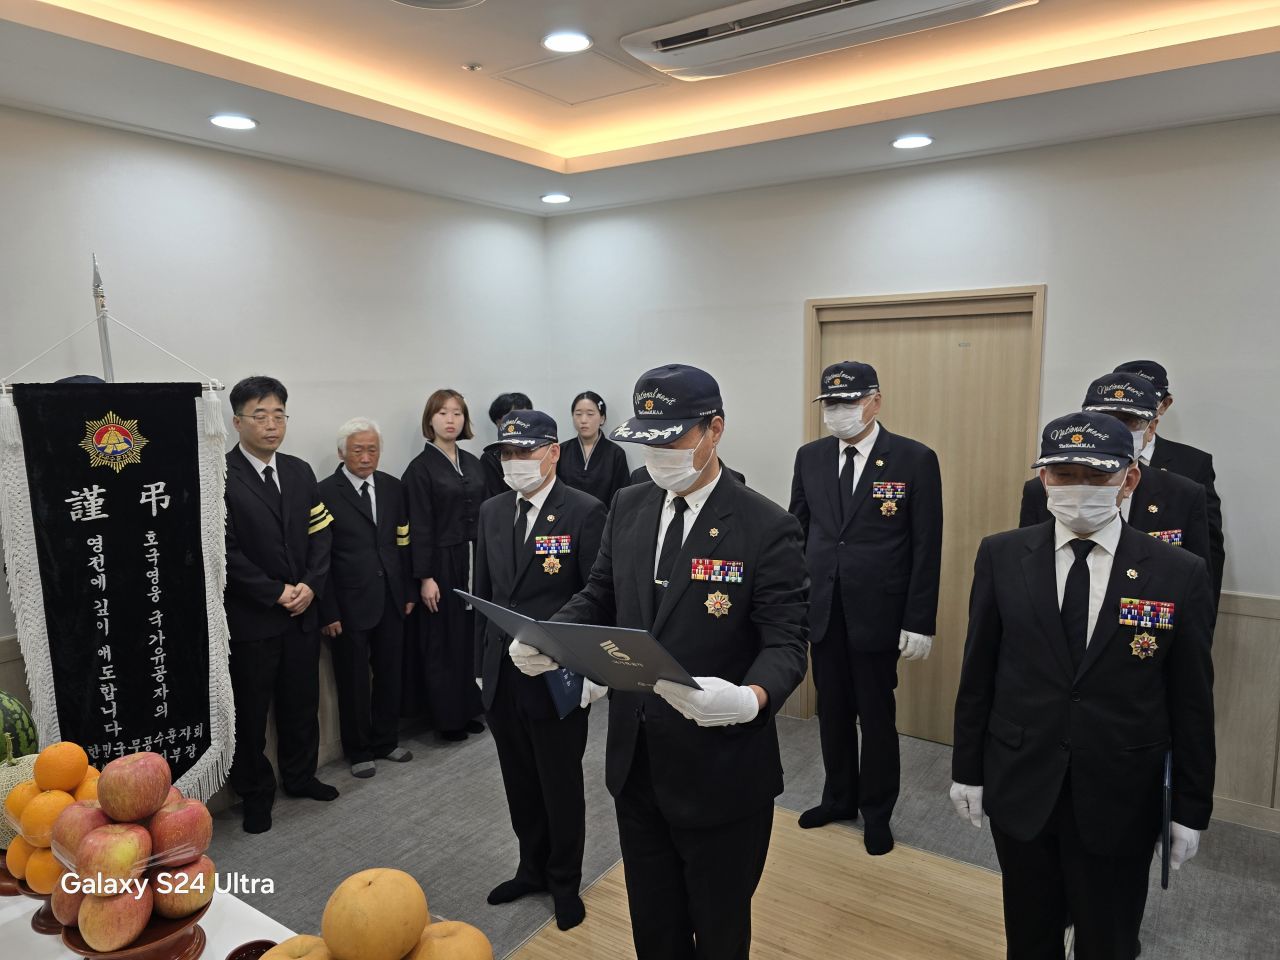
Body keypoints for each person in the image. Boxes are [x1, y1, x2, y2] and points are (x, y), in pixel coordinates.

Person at [515, 363, 808, 960]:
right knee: (654, 927)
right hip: (637, 763)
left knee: (719, 930)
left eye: (671, 439)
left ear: (714, 430)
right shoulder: (629, 504)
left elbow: (786, 641)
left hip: (721, 769)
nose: (657, 454)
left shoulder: (765, 525)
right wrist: (551, 635)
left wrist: (749, 699)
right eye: (647, 440)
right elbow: (600, 591)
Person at [951, 411, 1215, 960]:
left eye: (1097, 476)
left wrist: (1190, 806)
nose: (1079, 489)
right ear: (1043, 478)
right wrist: (967, 769)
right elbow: (978, 673)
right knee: (1029, 934)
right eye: (1065, 474)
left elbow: (1191, 701)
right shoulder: (1002, 555)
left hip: (1121, 792)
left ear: (1129, 478)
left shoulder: (1178, 572)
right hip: (1023, 781)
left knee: (1109, 940)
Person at [788, 360, 943, 854]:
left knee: (876, 714)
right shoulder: (810, 457)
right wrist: (791, 600)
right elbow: (798, 530)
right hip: (823, 608)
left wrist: (919, 620)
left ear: (875, 401)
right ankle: (838, 798)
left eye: (848, 402)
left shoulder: (914, 459)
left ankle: (877, 810)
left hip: (879, 612)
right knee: (831, 709)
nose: (838, 411)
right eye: (830, 403)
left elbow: (926, 545)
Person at [473, 410, 606, 931]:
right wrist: (481, 666)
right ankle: (530, 867)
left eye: (524, 452)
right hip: (501, 674)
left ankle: (564, 880)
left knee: (559, 782)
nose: (515, 462)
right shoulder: (491, 510)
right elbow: (484, 593)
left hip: (556, 674)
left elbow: (596, 597)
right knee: (519, 779)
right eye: (506, 454)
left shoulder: (585, 511)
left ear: (553, 452)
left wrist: (592, 673)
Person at [223, 376, 337, 833]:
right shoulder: (219, 475)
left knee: (300, 702)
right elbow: (224, 551)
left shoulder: (299, 470)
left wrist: (310, 585)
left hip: (302, 613)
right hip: (254, 618)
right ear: (237, 422)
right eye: (260, 415)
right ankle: (255, 793)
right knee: (251, 714)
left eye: (278, 415)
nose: (271, 425)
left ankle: (300, 776)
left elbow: (321, 532)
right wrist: (273, 591)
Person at [1020, 372, 1211, 580]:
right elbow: (1026, 563)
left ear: (1151, 428)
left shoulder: (1183, 494)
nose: (1113, 429)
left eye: (1128, 421)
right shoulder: (1041, 490)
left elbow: (1199, 578)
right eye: (1104, 418)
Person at [318, 417, 415, 778]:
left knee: (390, 674)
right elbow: (320, 557)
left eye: (372, 449)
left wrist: (406, 590)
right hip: (348, 603)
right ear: (342, 453)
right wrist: (327, 609)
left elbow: (402, 541)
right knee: (354, 680)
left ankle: (386, 741)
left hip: (391, 597)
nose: (365, 457)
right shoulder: (324, 492)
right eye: (358, 450)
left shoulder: (392, 486)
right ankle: (358, 750)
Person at [401, 389, 485, 740]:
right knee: (443, 640)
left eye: (457, 413)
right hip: (440, 563)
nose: (451, 420)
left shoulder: (474, 463)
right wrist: (425, 577)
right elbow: (419, 525)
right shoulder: (420, 469)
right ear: (430, 420)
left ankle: (468, 709)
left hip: (474, 558)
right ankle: (447, 719)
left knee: (469, 636)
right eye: (443, 413)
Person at [1113, 360, 1224, 604]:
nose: (1132, 404)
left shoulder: (1192, 465)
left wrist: (1204, 616)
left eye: (1145, 395)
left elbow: (1208, 552)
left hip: (1154, 604)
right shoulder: (1078, 469)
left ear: (1164, 404)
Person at [556, 391, 631, 507]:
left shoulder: (615, 453)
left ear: (602, 418)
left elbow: (622, 497)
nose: (583, 420)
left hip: (604, 516)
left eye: (590, 414)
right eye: (578, 414)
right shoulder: (561, 450)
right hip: (567, 516)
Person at [481, 392, 534, 500]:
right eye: (513, 417)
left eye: (525, 416)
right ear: (498, 422)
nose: (520, 422)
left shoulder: (539, 449)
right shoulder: (491, 458)